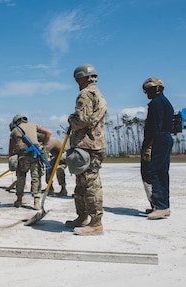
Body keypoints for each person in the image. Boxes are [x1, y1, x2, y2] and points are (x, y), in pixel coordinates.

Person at [65, 63, 107, 236]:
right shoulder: (97, 93)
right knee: (81, 185)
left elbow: (82, 119)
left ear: (81, 78)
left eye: (77, 79)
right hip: (89, 146)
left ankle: (96, 223)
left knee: (90, 185)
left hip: (88, 146)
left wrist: (71, 120)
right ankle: (82, 217)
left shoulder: (86, 94)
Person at [140, 77, 174, 220]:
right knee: (162, 172)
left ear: (156, 89)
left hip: (157, 140)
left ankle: (159, 206)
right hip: (165, 139)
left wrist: (148, 146)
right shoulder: (167, 103)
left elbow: (154, 127)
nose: (147, 93)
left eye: (148, 90)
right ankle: (163, 205)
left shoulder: (156, 103)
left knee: (151, 171)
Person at [9, 114, 51, 210]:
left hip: (23, 156)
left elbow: (11, 147)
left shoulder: (14, 131)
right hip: (35, 156)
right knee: (35, 177)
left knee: (21, 177)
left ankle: (19, 200)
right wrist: (44, 145)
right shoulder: (34, 125)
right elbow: (48, 133)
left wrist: (11, 157)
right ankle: (36, 201)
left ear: (16, 122)